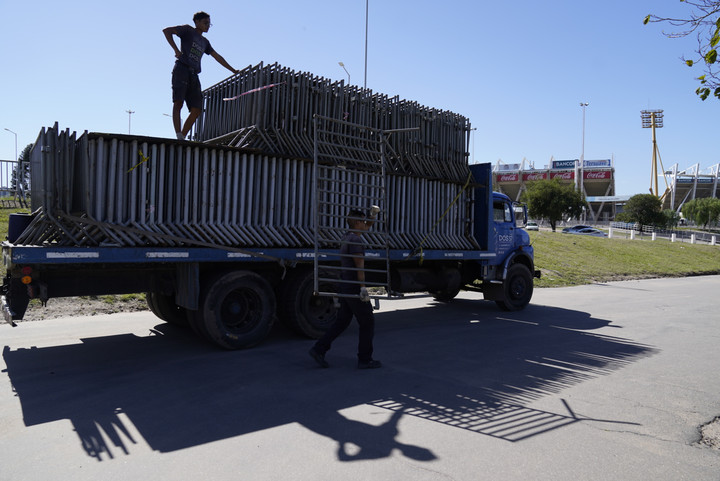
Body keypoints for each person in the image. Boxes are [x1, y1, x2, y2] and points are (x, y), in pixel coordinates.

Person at [309, 206, 382, 369]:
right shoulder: (356, 241)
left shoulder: (347, 237)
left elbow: (367, 226)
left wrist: (372, 216)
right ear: (357, 222)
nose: (365, 224)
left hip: (344, 286)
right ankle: (365, 359)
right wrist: (363, 289)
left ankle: (318, 349)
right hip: (354, 288)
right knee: (367, 322)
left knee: (341, 322)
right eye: (363, 221)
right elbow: (359, 267)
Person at [163, 11, 239, 140]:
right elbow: (167, 31)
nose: (207, 26)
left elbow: (217, 57)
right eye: (205, 23)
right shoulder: (187, 30)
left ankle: (182, 136)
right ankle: (178, 134)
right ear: (197, 22)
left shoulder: (205, 42)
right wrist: (176, 50)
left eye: (209, 24)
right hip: (182, 69)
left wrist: (233, 70)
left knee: (197, 108)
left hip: (194, 73)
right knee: (178, 102)